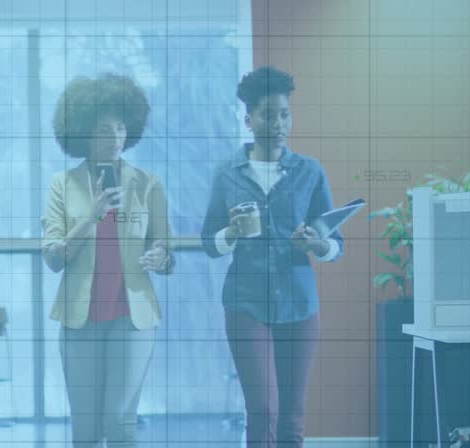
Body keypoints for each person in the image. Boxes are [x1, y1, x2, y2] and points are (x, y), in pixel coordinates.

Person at [201, 66, 344, 448]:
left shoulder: (310, 171)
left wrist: (316, 244)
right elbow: (208, 242)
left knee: (292, 416)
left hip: (300, 304)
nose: (279, 123)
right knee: (264, 409)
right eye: (269, 114)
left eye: (285, 114)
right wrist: (230, 232)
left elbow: (335, 244)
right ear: (248, 119)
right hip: (245, 303)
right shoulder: (227, 174)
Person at [41, 73, 174, 447]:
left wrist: (160, 256)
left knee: (119, 422)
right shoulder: (62, 185)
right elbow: (53, 257)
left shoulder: (148, 184)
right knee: (85, 430)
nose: (115, 137)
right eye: (104, 129)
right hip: (79, 318)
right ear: (83, 132)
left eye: (120, 127)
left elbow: (166, 250)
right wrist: (92, 216)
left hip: (133, 317)